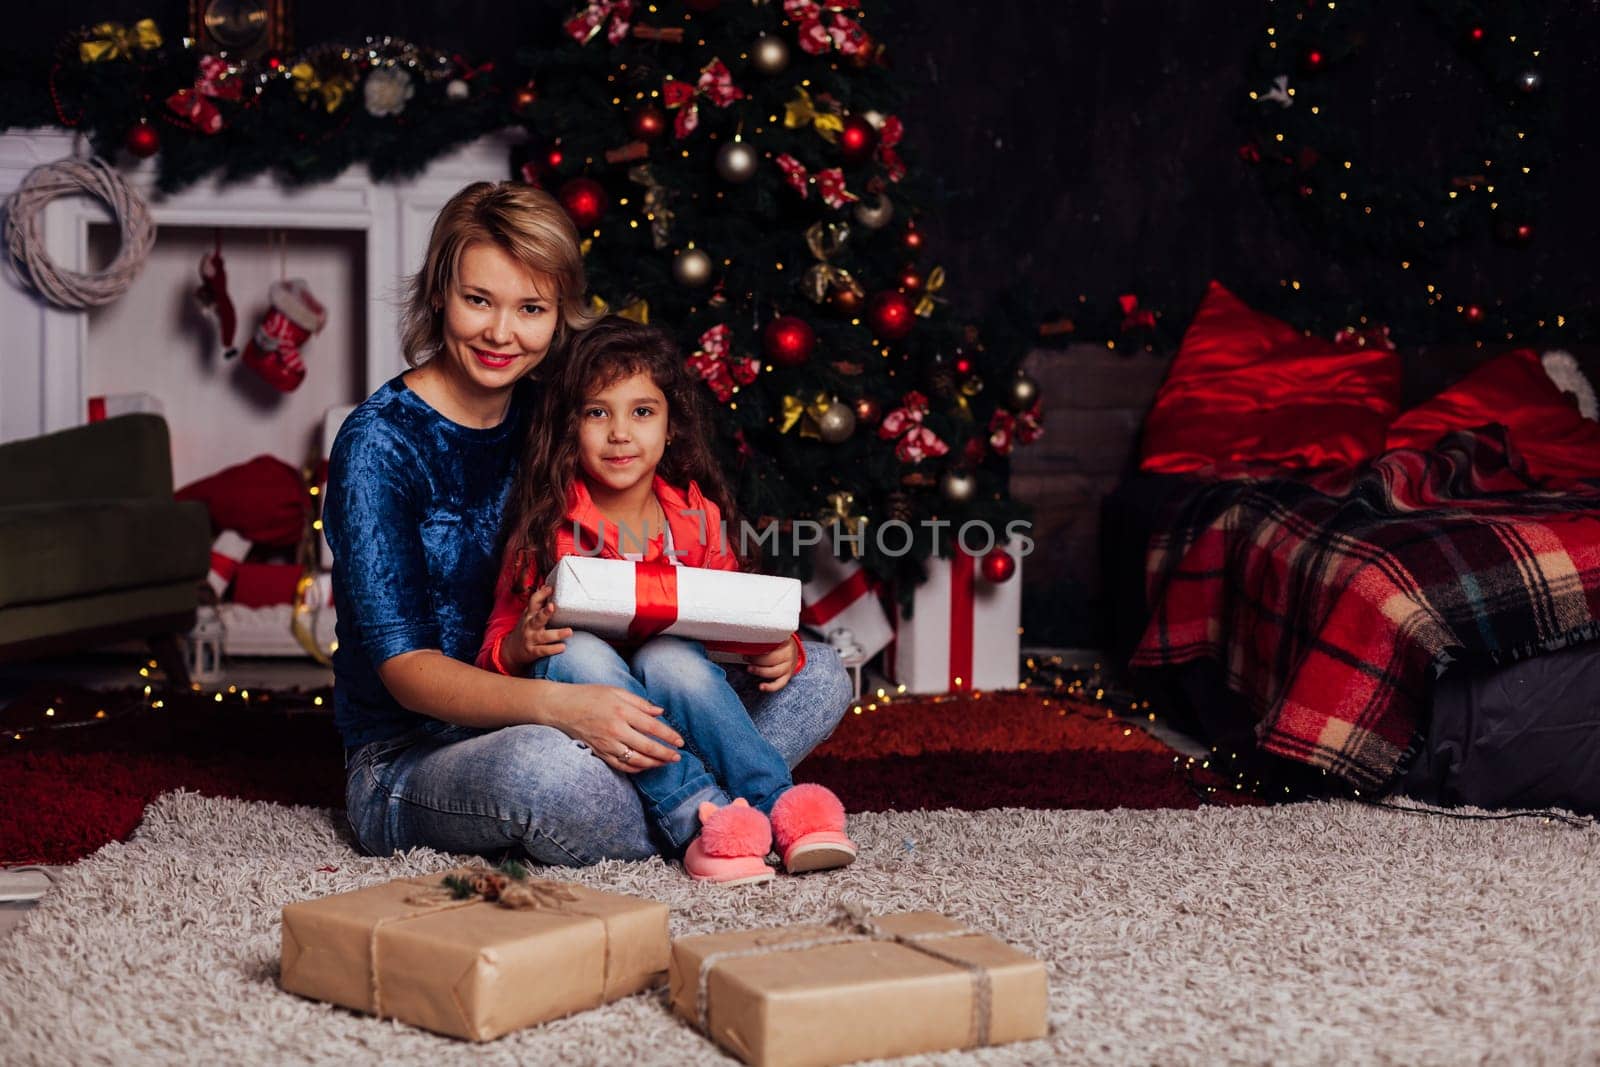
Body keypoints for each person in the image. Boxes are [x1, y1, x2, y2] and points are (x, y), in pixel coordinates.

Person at [323, 182, 853, 868]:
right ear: (437, 295)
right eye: (477, 300)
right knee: (552, 773)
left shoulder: (569, 412)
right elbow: (406, 672)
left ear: (558, 313)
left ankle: (698, 810)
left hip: (616, 688)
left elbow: (665, 556)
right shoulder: (380, 445)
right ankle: (715, 809)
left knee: (821, 674)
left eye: (531, 309)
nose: (501, 333)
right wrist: (566, 710)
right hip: (425, 750)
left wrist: (746, 643)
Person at [477, 317, 857, 884]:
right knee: (576, 652)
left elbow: (733, 615)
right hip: (596, 725)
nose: (620, 433)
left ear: (672, 425)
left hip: (686, 694)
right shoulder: (545, 527)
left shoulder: (694, 516)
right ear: (568, 427)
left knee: (678, 659)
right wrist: (517, 646)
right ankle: (697, 818)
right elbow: (490, 655)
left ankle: (779, 809)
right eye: (597, 412)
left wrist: (779, 649)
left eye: (642, 412)